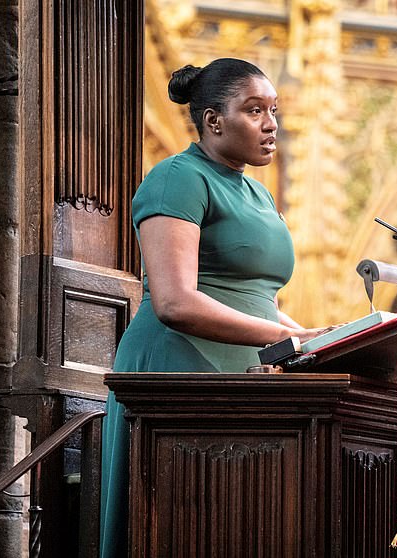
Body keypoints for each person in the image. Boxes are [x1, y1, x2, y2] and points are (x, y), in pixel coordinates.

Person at [99, 58, 323, 557]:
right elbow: (176, 302)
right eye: (255, 110)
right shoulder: (177, 179)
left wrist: (313, 337)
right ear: (213, 121)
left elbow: (256, 296)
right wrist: (281, 340)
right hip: (176, 371)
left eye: (274, 111)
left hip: (240, 373)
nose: (271, 125)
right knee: (176, 526)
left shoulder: (259, 194)